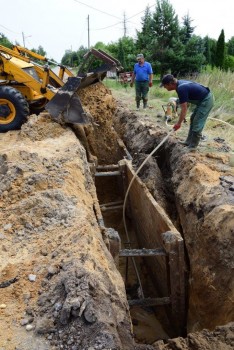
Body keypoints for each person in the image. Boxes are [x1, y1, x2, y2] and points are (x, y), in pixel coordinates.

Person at [160, 74, 214, 151]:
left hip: (206, 100)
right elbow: (186, 103)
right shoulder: (179, 85)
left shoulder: (181, 88)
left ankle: (193, 146)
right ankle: (188, 142)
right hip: (201, 100)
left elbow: (184, 109)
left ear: (170, 84)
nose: (165, 88)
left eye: (165, 86)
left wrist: (178, 123)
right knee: (193, 118)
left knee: (197, 122)